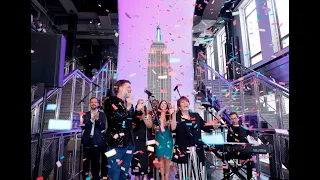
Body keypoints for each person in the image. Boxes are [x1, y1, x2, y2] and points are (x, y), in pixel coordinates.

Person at [104, 79, 141, 180]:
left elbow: (133, 123)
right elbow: (116, 119)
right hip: (114, 143)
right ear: (119, 88)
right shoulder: (110, 101)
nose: (130, 89)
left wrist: (137, 112)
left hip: (129, 143)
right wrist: (128, 108)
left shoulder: (129, 104)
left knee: (124, 172)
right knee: (114, 172)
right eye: (128, 87)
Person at [170, 96, 215, 180]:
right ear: (179, 107)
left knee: (200, 174)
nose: (185, 103)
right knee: (184, 175)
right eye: (182, 102)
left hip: (197, 149)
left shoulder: (196, 116)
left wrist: (214, 124)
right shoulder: (177, 117)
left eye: (186, 101)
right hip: (183, 150)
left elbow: (206, 127)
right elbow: (173, 128)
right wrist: (173, 114)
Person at [80, 97, 106, 180]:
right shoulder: (85, 114)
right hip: (87, 140)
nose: (94, 103)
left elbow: (103, 127)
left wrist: (97, 120)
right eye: (92, 102)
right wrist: (91, 120)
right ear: (89, 104)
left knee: (96, 160)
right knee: (86, 160)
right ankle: (85, 176)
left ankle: (96, 177)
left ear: (98, 104)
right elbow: (83, 127)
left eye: (95, 102)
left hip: (97, 140)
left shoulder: (102, 114)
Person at [223, 112, 254, 180]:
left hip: (243, 149)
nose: (233, 120)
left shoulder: (243, 126)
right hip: (234, 149)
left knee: (250, 159)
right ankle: (227, 177)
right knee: (224, 157)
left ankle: (249, 177)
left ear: (238, 118)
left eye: (235, 118)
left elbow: (251, 134)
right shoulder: (230, 128)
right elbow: (228, 140)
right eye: (232, 119)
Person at [131, 99, 153, 180]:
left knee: (144, 159)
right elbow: (132, 126)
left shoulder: (148, 116)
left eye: (142, 105)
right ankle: (136, 176)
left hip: (144, 141)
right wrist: (137, 117)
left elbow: (149, 126)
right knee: (135, 159)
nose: (140, 106)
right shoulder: (133, 116)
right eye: (138, 104)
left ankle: (145, 175)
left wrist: (143, 116)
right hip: (135, 141)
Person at [154, 100, 174, 180]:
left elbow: (172, 127)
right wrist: (157, 127)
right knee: (161, 159)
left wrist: (168, 121)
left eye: (165, 103)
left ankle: (167, 177)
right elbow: (153, 126)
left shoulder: (169, 114)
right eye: (162, 103)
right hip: (159, 137)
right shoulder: (156, 114)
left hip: (168, 137)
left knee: (167, 159)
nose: (163, 104)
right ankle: (162, 177)